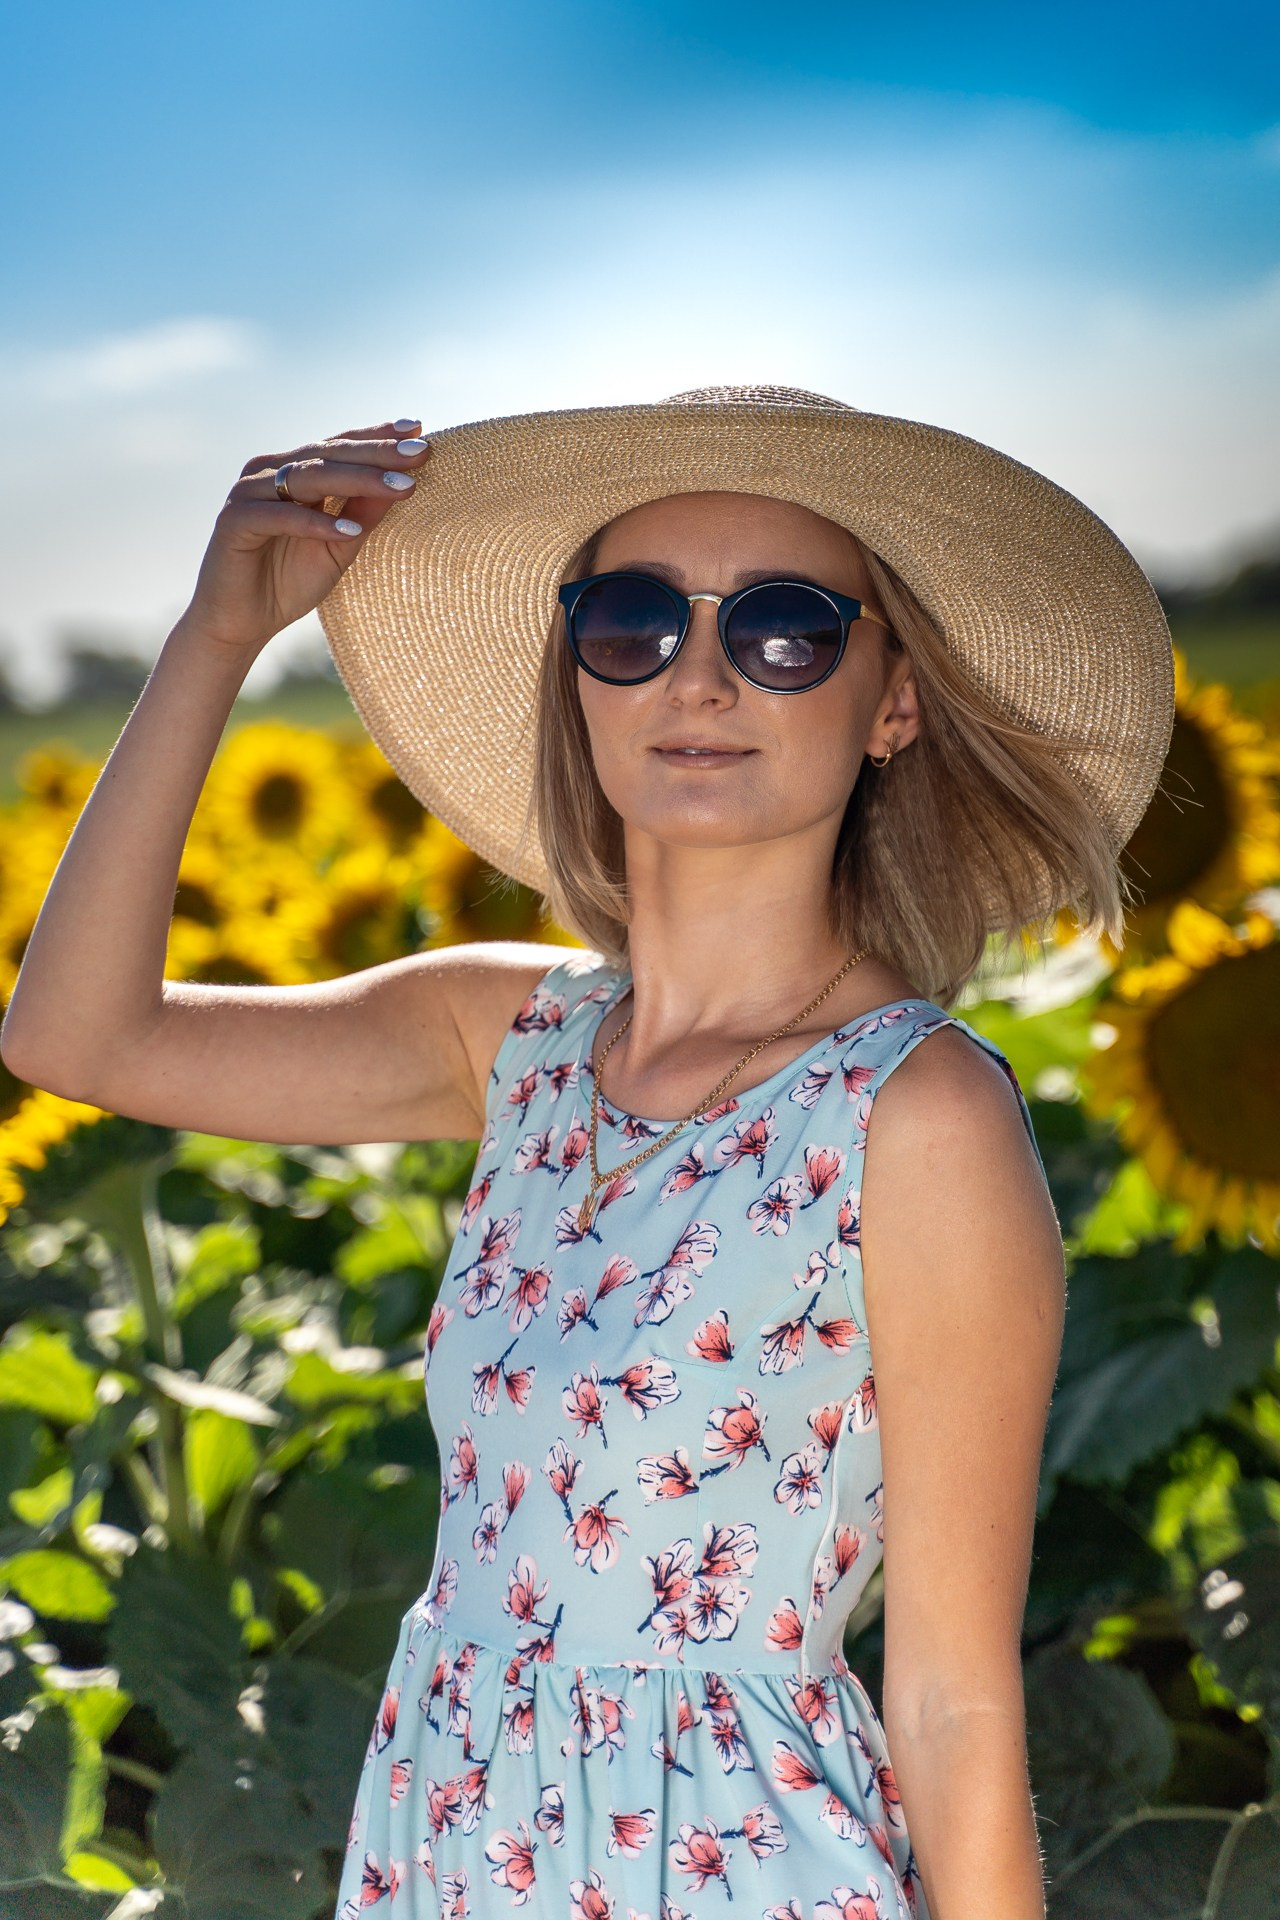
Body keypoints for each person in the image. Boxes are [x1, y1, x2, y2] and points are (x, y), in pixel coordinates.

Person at [0, 384, 1175, 1920]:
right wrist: (215, 639)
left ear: (892, 702)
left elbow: (955, 1701)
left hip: (735, 1868)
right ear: (580, 680)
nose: (697, 674)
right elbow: (75, 1040)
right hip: (446, 1841)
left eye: (784, 629)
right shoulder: (513, 1043)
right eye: (630, 622)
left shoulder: (918, 1115)